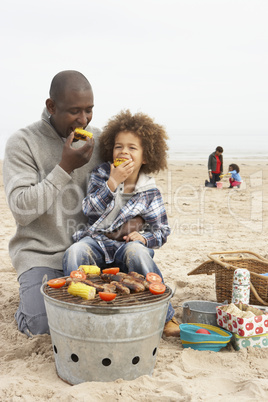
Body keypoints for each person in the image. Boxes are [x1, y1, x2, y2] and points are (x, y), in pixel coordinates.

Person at [3, 71, 140, 337]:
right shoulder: (23, 143)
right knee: (42, 329)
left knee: (124, 313)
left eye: (89, 110)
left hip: (92, 252)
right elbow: (21, 210)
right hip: (43, 254)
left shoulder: (100, 140)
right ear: (51, 106)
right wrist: (65, 166)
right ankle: (27, 307)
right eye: (74, 111)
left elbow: (123, 195)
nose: (84, 120)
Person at [62, 109, 180, 337]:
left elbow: (162, 230)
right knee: (75, 250)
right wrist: (112, 182)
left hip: (126, 248)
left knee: (138, 252)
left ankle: (165, 316)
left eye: (132, 148)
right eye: (119, 146)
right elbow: (89, 208)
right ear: (111, 150)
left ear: (146, 157)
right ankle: (77, 314)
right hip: (97, 242)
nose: (124, 151)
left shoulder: (149, 192)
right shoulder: (101, 175)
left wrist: (145, 238)